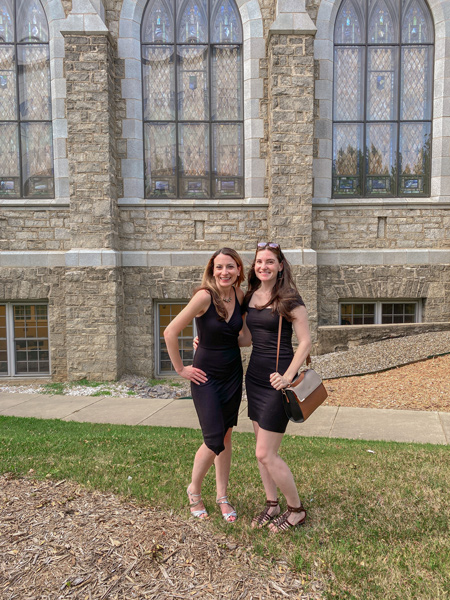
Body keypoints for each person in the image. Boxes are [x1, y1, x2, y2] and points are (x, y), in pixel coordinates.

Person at [163, 248, 245, 522]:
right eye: (219, 267)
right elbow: (170, 331)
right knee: (212, 439)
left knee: (226, 435)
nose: (224, 272)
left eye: (230, 267)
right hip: (205, 377)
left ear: (238, 270)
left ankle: (222, 496)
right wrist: (180, 368)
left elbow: (242, 337)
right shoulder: (204, 296)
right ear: (212, 270)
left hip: (233, 373)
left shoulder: (239, 296)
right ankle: (194, 490)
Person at [240, 241, 312, 532]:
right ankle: (272, 504)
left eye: (270, 261)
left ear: (280, 265)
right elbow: (246, 338)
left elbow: (305, 341)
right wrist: (207, 341)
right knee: (260, 447)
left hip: (277, 381)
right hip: (255, 377)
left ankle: (296, 510)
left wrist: (287, 376)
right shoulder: (249, 297)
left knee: (264, 453)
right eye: (259, 262)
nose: (264, 266)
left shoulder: (289, 298)